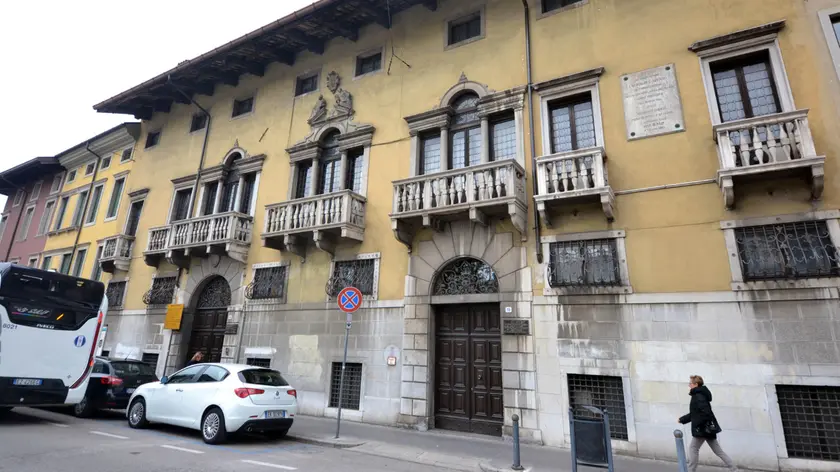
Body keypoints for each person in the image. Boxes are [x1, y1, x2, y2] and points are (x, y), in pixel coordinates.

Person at [678, 375, 737, 472]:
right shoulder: (700, 394)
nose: (689, 386)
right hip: (707, 428)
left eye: (690, 384)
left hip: (702, 429)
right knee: (718, 451)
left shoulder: (698, 396)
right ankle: (734, 469)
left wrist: (699, 426)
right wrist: (682, 419)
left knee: (693, 448)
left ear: (696, 384)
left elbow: (705, 413)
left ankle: (691, 470)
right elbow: (695, 414)